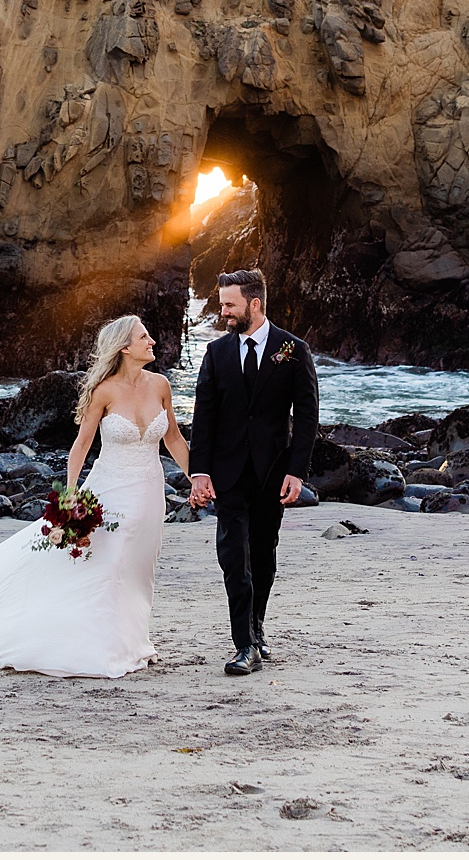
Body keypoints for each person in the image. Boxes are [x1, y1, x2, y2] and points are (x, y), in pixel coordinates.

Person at [0, 314, 192, 678]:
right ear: (124, 347)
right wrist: (70, 496)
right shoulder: (104, 390)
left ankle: (131, 640)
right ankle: (103, 645)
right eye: (144, 336)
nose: (152, 342)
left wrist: (196, 478)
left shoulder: (161, 385)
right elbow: (81, 445)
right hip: (110, 490)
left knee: (137, 567)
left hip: (149, 493)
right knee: (109, 563)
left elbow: (174, 439)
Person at [186, 267, 319, 675]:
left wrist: (297, 472)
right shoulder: (216, 353)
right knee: (232, 556)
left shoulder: (293, 350)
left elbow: (308, 416)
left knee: (263, 555)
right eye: (222, 303)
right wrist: (199, 472)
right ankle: (243, 646)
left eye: (230, 304)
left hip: (272, 474)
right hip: (228, 474)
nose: (223, 311)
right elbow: (204, 416)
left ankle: (256, 629)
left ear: (254, 304)